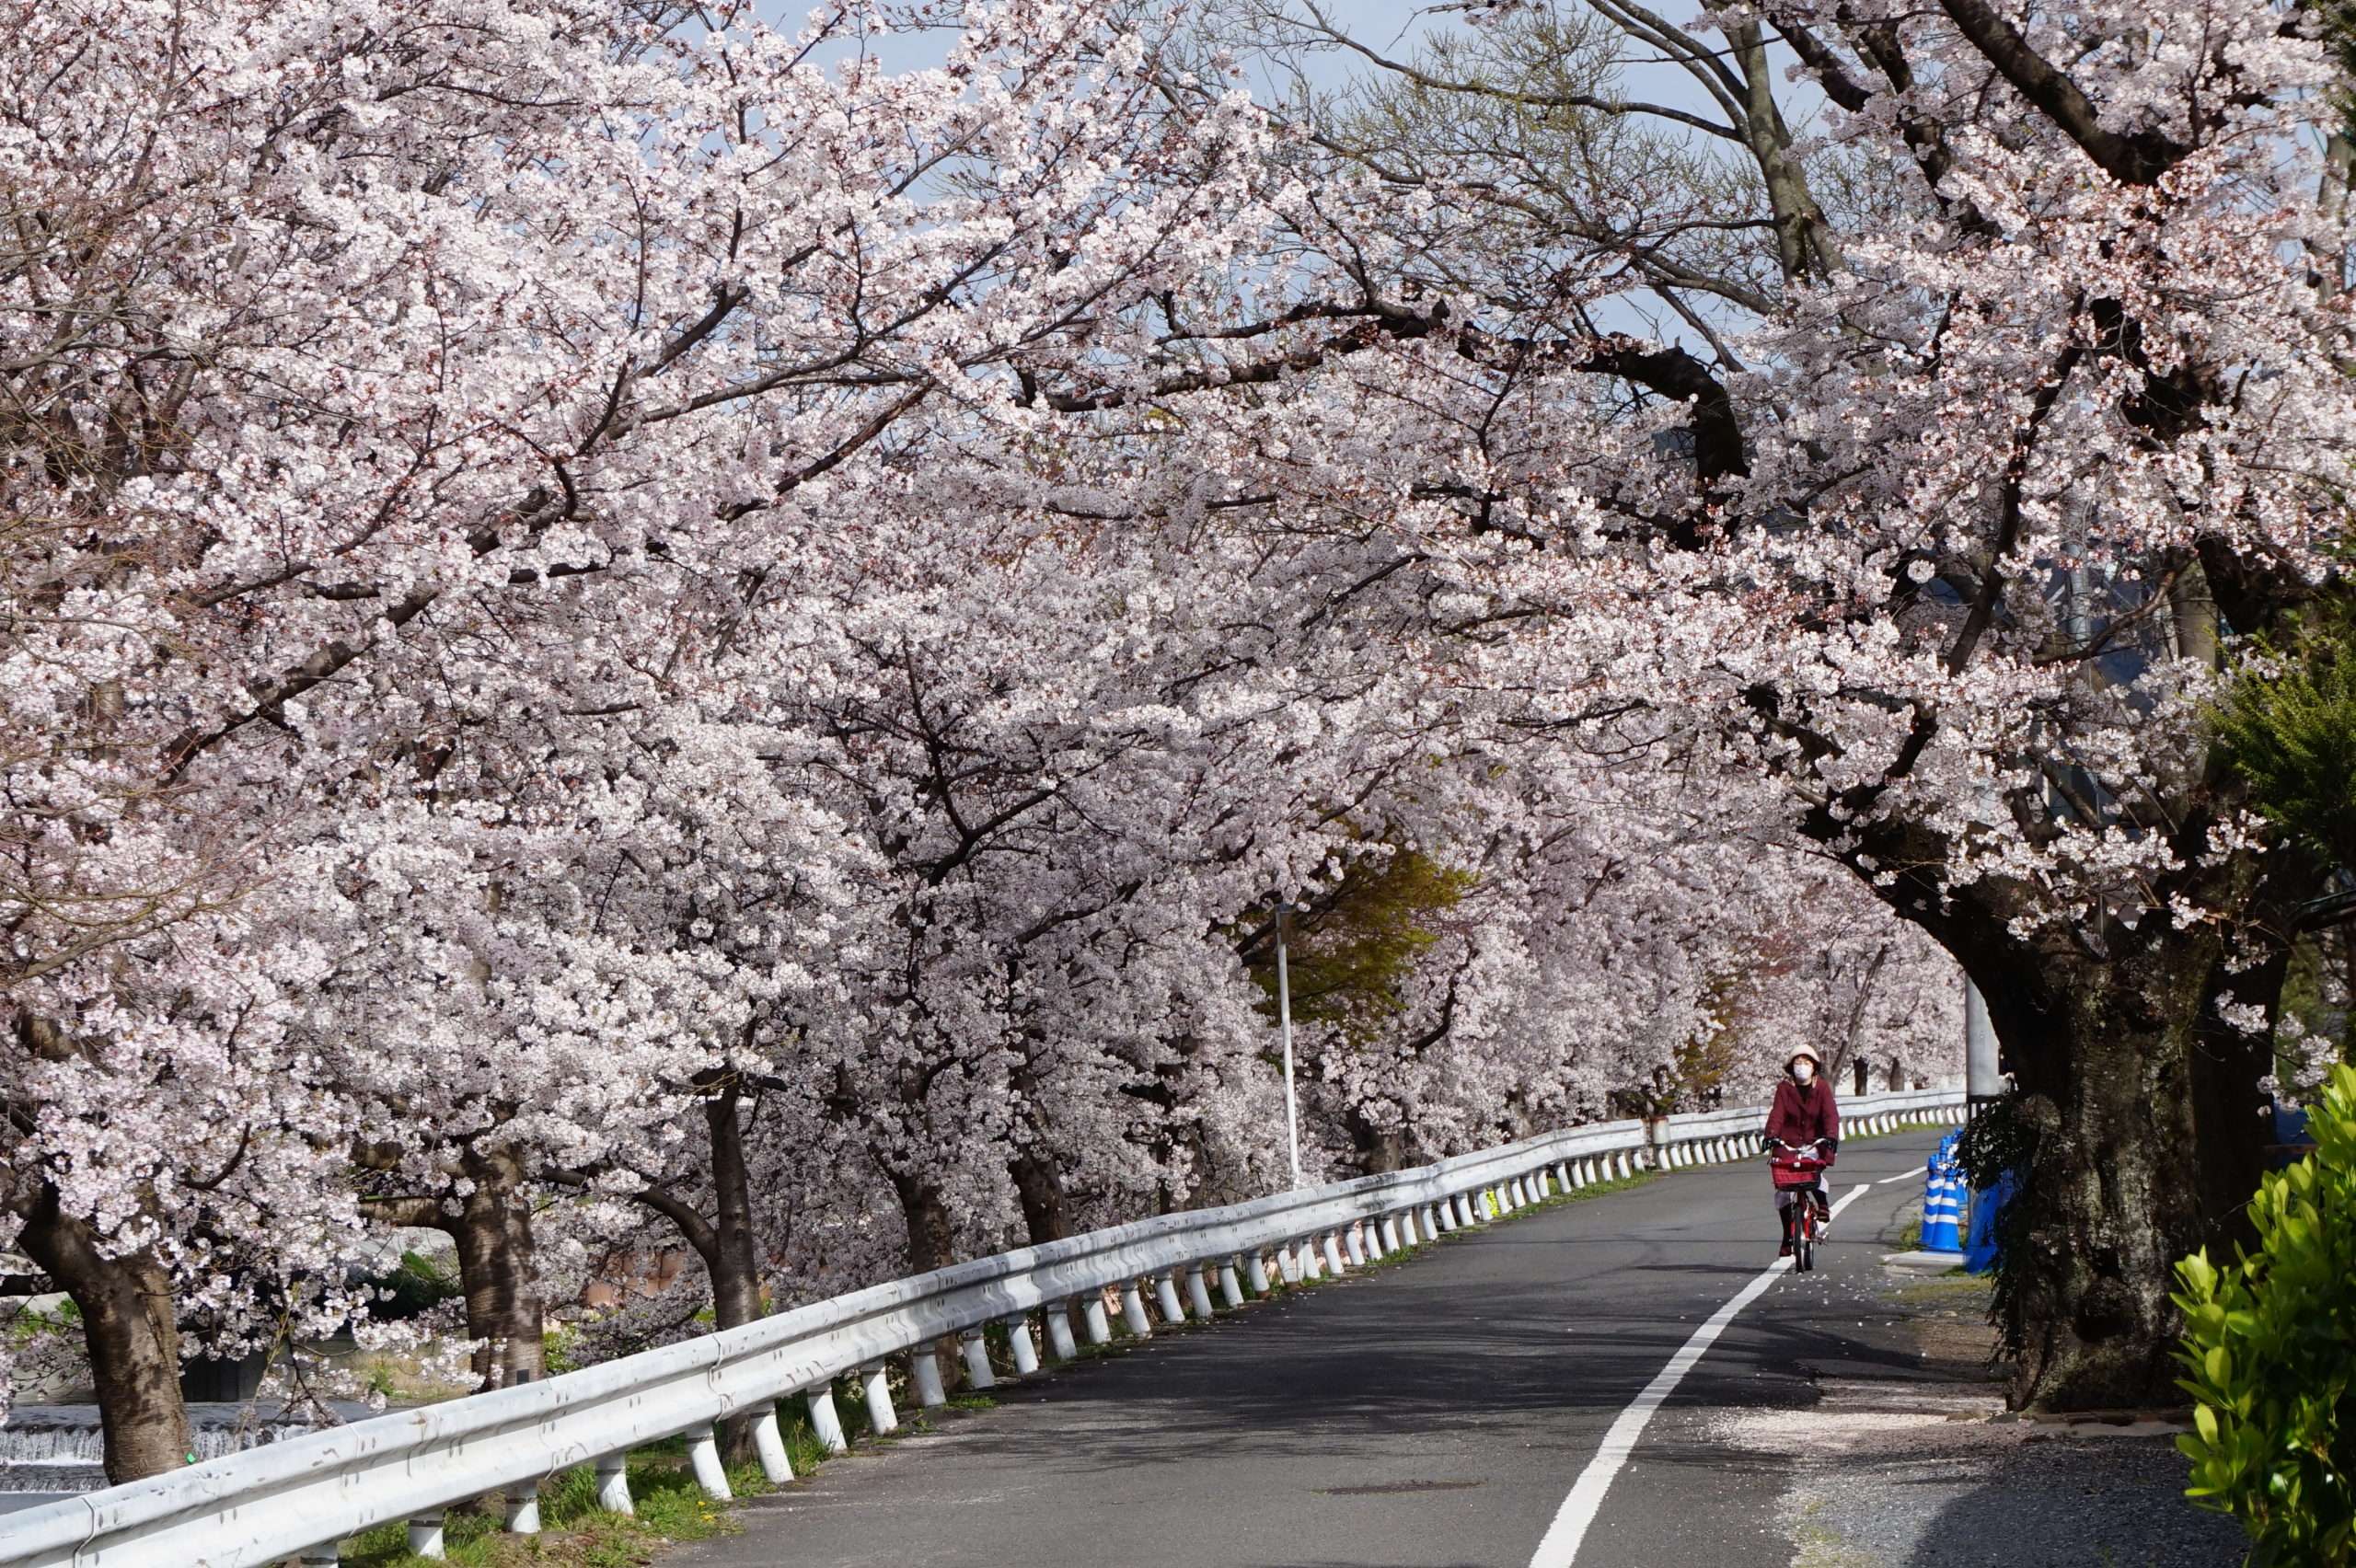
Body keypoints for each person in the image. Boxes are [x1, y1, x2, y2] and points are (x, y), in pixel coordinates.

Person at [1764, 1048, 1839, 1256]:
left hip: (1815, 1142)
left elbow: (1830, 1115)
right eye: (1798, 1062)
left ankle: (1822, 1205)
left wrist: (1831, 1136)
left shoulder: (1822, 1088)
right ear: (1791, 1067)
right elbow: (1777, 1114)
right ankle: (1788, 1235)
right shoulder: (1784, 1089)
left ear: (1814, 1066)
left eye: (1806, 1062)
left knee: (1813, 1173)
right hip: (1788, 1143)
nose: (1802, 1066)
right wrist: (1771, 1135)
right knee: (1783, 1190)